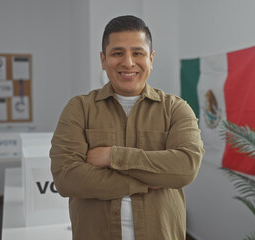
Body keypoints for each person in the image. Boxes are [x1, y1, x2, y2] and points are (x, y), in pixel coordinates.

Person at [50, 15, 204, 240]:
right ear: (103, 59)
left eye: (138, 53)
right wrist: (145, 181)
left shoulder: (176, 109)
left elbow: (186, 167)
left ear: (151, 59)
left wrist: (113, 156)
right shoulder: (79, 109)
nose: (129, 62)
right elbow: (66, 178)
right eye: (117, 53)